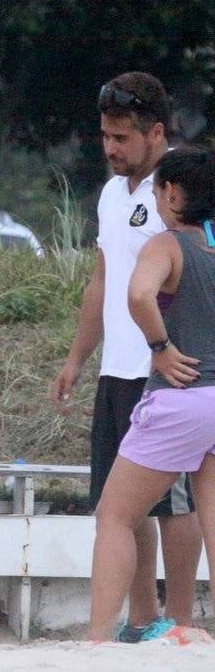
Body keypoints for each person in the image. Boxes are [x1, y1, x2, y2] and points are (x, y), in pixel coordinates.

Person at [51, 72, 202, 641]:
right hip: (118, 368)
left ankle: (182, 618)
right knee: (121, 503)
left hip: (168, 371)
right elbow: (103, 279)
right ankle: (143, 618)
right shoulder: (112, 193)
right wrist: (76, 357)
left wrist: (167, 347)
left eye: (122, 137)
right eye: (105, 136)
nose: (110, 148)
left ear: (156, 132)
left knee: (174, 503)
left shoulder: (183, 189)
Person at [88, 146, 215, 643]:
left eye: (161, 190)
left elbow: (139, 294)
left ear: (174, 192)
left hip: (181, 395)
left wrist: (160, 347)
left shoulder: (166, 245)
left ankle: (99, 637)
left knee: (115, 515)